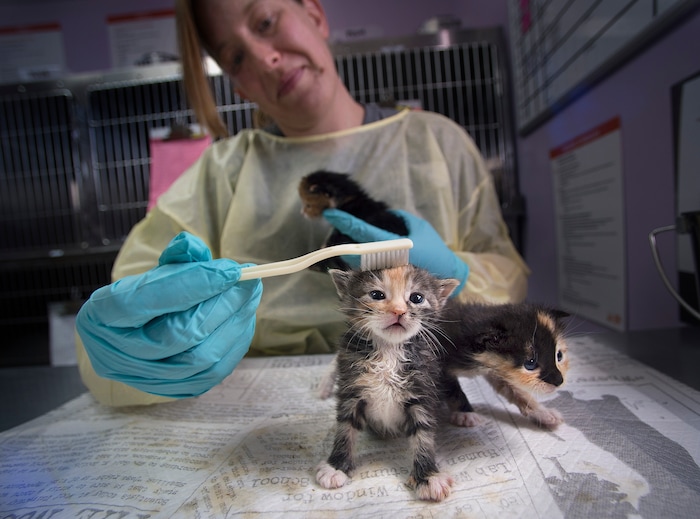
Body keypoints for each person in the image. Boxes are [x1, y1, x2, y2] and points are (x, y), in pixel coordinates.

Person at [75, 0, 529, 406]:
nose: (265, 57)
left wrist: (456, 278)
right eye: (235, 57)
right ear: (238, 88)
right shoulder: (221, 173)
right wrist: (139, 343)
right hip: (259, 395)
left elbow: (507, 282)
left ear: (314, 14)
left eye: (267, 21)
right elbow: (125, 300)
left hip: (417, 370)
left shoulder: (438, 142)